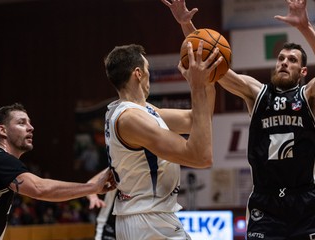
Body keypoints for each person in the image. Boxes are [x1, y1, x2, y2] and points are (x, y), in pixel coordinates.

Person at [162, 0, 315, 239]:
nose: (284, 62)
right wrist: (186, 23)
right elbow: (215, 61)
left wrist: (305, 27)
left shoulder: (308, 97)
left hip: (305, 201)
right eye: (281, 58)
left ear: (303, 71)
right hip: (265, 203)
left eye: (292, 60)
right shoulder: (257, 92)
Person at [103, 42, 219, 240]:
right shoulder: (131, 119)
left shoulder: (143, 110)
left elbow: (197, 119)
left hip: (151, 217)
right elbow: (201, 157)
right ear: (138, 74)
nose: (150, 76)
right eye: (148, 70)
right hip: (147, 220)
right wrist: (196, 87)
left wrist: (207, 82)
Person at [0, 103, 116, 240]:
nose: (31, 128)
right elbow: (39, 188)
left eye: (29, 123)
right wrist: (93, 187)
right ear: (2, 130)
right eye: (21, 123)